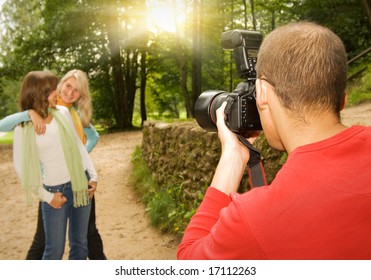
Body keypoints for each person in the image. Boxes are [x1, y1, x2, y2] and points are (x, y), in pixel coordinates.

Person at [177, 21, 371, 259]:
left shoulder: (255, 220)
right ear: (342, 99)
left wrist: (233, 158)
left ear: (263, 93)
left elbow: (189, 261)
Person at [0, 69, 106, 260]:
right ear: (39, 93)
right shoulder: (24, 127)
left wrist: (93, 176)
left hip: (80, 184)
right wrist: (47, 197)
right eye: (53, 89)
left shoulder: (64, 112)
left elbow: (78, 147)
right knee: (53, 251)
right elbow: (21, 169)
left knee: (80, 245)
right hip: (54, 191)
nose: (58, 93)